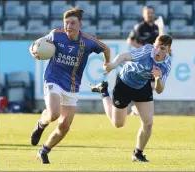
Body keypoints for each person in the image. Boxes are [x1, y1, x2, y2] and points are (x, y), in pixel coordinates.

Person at [29, 6, 110, 164]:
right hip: (53, 79)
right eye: (66, 23)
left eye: (72, 23)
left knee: (65, 126)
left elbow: (105, 48)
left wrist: (107, 63)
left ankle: (43, 151)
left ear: (80, 25)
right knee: (53, 114)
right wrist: (34, 51)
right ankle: (41, 124)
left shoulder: (87, 42)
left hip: (72, 86)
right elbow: (35, 45)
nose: (69, 26)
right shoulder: (55, 35)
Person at [91, 35, 172, 162]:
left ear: (168, 50)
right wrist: (113, 64)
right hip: (124, 83)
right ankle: (103, 91)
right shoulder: (146, 51)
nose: (158, 50)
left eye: (162, 48)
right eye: (156, 46)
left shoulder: (166, 64)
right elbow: (124, 56)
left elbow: (159, 90)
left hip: (141, 85)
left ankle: (137, 153)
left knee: (148, 123)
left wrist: (158, 79)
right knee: (118, 124)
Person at [126, 5, 161, 115]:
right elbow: (130, 41)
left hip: (153, 60)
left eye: (151, 12)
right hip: (143, 60)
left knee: (151, 84)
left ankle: (136, 108)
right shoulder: (140, 27)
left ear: (154, 14)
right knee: (145, 84)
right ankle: (136, 108)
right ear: (144, 14)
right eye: (148, 13)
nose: (150, 14)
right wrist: (142, 50)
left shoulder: (157, 27)